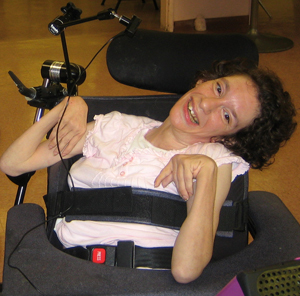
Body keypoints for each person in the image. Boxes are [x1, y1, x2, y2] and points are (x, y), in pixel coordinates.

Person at [0, 59, 296, 284]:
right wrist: (67, 106)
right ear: (206, 79)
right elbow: (13, 163)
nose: (206, 103)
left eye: (227, 114)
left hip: (141, 283)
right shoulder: (112, 126)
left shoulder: (213, 158)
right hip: (66, 274)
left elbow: (186, 269)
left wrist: (204, 174)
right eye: (219, 88)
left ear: (228, 138)